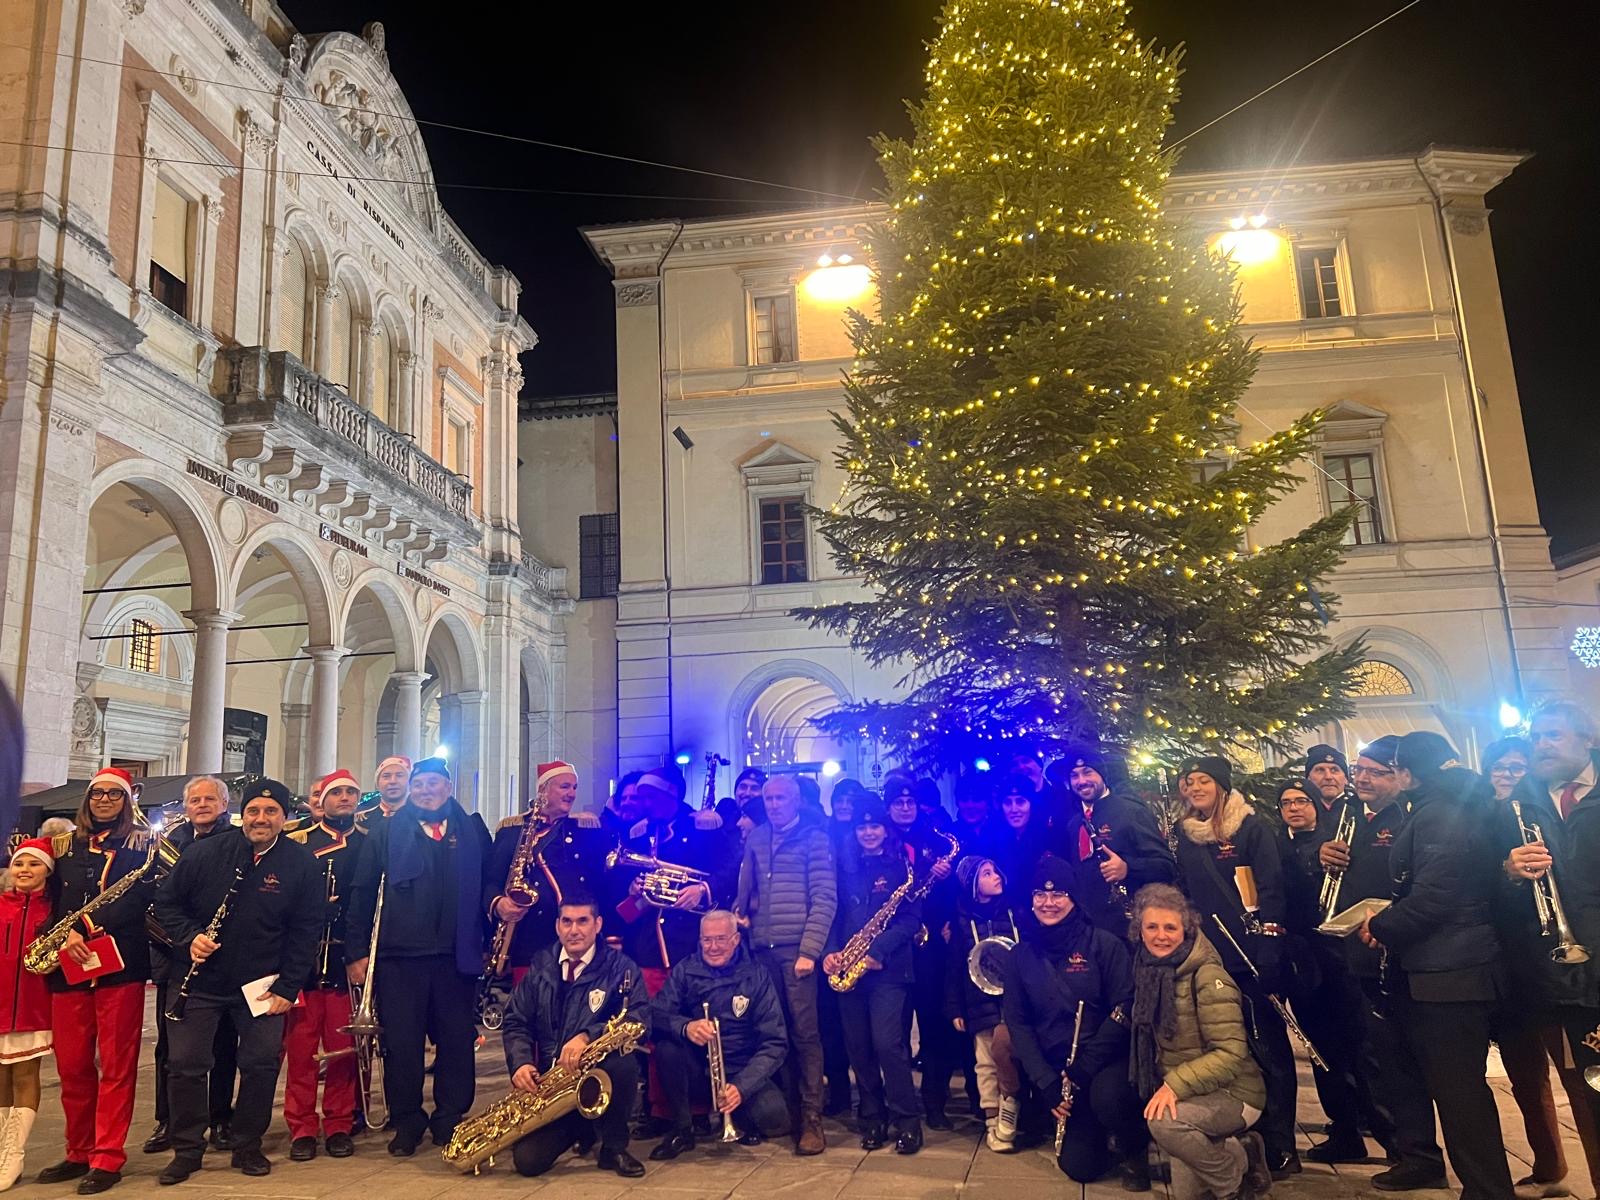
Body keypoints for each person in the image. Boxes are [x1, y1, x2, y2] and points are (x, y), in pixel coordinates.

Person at [1362, 732, 1514, 1200]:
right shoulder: (1450, 802)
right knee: (1453, 1089)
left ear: (1408, 773)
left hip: (1452, 973)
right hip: (1443, 969)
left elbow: (1434, 899)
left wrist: (1381, 925)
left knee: (1460, 1093)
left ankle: (1488, 1191)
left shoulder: (1442, 813)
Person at [151, 778, 321, 1184]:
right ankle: (188, 1148)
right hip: (199, 980)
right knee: (186, 1065)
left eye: (270, 812)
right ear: (241, 815)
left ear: (285, 817)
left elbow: (306, 931)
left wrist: (288, 987)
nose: (260, 819)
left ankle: (247, 1144)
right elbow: (165, 905)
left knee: (260, 1065)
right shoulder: (205, 852)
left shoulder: (302, 864)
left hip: (263, 985)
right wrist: (190, 937)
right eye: (253, 812)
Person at [343, 757, 493, 1157]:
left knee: (457, 1043)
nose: (428, 791)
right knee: (402, 1046)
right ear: (412, 788)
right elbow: (360, 894)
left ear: (448, 787)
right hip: (400, 958)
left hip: (455, 959)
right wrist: (356, 953)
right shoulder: (385, 831)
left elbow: (487, 889)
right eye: (421, 784)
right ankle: (407, 1121)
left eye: (435, 784)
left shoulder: (472, 830)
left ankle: (449, 1117)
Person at [1171, 756, 1299, 1178]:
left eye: (1203, 780)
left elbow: (1272, 888)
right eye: (1188, 782)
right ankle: (1245, 1132)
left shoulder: (1250, 828)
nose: (1194, 788)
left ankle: (1282, 1142)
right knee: (1227, 1048)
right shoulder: (1186, 835)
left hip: (1252, 957)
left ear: (1222, 785)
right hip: (1211, 960)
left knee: (1268, 1048)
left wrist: (1270, 950)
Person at [1315, 734, 1433, 1187]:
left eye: (1374, 772)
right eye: (1358, 769)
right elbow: (1325, 868)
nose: (1361, 778)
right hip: (1348, 951)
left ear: (1399, 776)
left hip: (1388, 951)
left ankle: (1411, 1149)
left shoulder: (1407, 818)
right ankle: (1385, 1142)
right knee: (1362, 1055)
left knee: (1391, 1061)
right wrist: (1320, 856)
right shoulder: (1348, 814)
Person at [36, 767, 155, 1195]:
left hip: (120, 967)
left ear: (127, 801)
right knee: (71, 1066)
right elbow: (51, 904)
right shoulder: (65, 847)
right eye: (97, 794)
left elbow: (140, 899)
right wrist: (54, 934)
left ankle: (107, 1156)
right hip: (70, 968)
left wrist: (85, 926)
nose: (104, 800)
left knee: (117, 1068)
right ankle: (78, 1150)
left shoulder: (142, 846)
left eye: (114, 794)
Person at [1498, 706, 1600, 1198]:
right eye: (1536, 736)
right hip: (1559, 971)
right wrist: (1510, 870)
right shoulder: (1522, 801)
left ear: (1586, 738)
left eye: (1553, 735)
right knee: (1589, 1088)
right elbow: (1487, 881)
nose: (1541, 744)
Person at [1004, 853, 1145, 1187]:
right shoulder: (1020, 955)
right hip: (1059, 1071)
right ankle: (1098, 1133)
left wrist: (1087, 1063)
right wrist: (1047, 1084)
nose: (1048, 902)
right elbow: (1019, 1026)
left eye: (1058, 894)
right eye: (1041, 894)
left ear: (1074, 898)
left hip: (1102, 1064)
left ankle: (1134, 1144)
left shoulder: (1103, 944)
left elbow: (1125, 1006)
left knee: (1108, 1098)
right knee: (1080, 1167)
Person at [608, 766, 736, 1128]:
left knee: (695, 1024)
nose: (644, 803)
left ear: (671, 797)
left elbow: (730, 870)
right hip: (648, 944)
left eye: (651, 797)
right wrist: (631, 890)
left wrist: (704, 891)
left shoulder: (702, 826)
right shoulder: (637, 833)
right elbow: (622, 884)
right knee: (652, 1027)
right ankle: (659, 1108)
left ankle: (699, 1109)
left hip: (688, 942)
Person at [1129, 883, 1270, 1200]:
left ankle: (1234, 1182)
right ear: (1139, 930)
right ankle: (1241, 1150)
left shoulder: (1206, 975)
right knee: (1187, 1195)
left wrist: (1174, 1085)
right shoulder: (1149, 970)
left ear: (1187, 929)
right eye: (1152, 927)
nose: (1160, 935)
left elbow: (1232, 1053)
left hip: (1235, 1092)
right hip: (1193, 1092)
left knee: (1163, 1124)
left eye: (1170, 927)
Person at [500, 893, 647, 1178]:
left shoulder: (622, 968)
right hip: (554, 1085)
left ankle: (613, 1148)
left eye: (582, 921)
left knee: (624, 1064)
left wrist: (587, 1036)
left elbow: (638, 1019)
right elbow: (516, 1020)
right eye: (567, 921)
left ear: (598, 924)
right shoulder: (541, 965)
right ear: (557, 926)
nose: (574, 930)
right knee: (528, 1162)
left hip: (602, 1075)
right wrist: (519, 1063)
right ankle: (584, 1126)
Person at [733, 773, 836, 1155]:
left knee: (805, 1035)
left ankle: (812, 1118)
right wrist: (741, 916)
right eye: (769, 798)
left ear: (796, 801)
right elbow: (748, 890)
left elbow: (825, 897)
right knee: (772, 1034)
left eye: (780, 798)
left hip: (797, 952)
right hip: (762, 950)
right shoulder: (757, 838)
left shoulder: (814, 838)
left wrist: (810, 950)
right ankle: (784, 1112)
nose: (774, 804)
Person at [144, 777, 237, 1158]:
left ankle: (220, 1118)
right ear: (185, 807)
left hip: (225, 959)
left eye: (209, 799)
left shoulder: (238, 842)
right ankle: (169, 1119)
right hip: (176, 958)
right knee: (170, 1048)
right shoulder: (170, 844)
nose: (201, 805)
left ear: (225, 803)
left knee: (224, 1046)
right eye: (194, 800)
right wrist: (181, 940)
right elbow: (154, 902)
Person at [825, 795, 923, 1154]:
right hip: (850, 968)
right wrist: (831, 952)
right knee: (859, 1049)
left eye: (875, 825)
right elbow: (833, 914)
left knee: (887, 1045)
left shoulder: (901, 868)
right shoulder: (843, 866)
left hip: (889, 971)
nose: (868, 832)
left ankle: (907, 1121)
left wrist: (877, 953)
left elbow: (911, 921)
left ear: (886, 829)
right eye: (862, 826)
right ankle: (873, 1118)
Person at [648, 909, 789, 1158]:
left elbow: (775, 1043)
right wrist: (686, 1026)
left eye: (721, 939)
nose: (713, 947)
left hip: (740, 1069)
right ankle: (682, 1129)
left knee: (774, 1119)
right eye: (707, 940)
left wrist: (742, 1087)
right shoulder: (686, 970)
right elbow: (656, 1013)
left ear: (735, 940)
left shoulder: (756, 975)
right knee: (667, 1050)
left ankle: (739, 1114)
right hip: (699, 1069)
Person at [281, 770, 366, 1162]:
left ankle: (338, 1124)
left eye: (351, 792)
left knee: (342, 1052)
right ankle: (300, 1127)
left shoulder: (369, 844)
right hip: (304, 964)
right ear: (323, 801)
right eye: (337, 793)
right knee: (300, 1052)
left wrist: (360, 956)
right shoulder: (297, 843)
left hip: (346, 963)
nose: (345, 798)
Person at [485, 760, 607, 985]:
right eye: (564, 786)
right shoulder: (512, 830)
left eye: (574, 787)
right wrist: (499, 903)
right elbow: (491, 881)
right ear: (543, 789)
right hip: (530, 937)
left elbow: (600, 886)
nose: (571, 793)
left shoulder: (583, 830)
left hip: (576, 936)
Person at [883, 774, 960, 1129]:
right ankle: (898, 1102)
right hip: (892, 945)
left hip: (929, 946)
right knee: (893, 1031)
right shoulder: (878, 840)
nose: (904, 807)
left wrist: (947, 876)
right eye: (898, 803)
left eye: (909, 802)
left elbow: (949, 894)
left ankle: (934, 1102)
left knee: (933, 1027)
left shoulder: (934, 839)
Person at [946, 855, 1022, 1151]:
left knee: (1013, 1055)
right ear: (973, 885)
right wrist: (954, 1008)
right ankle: (992, 1116)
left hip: (1015, 999)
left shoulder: (1015, 913)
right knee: (986, 1060)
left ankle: (1013, 1110)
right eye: (987, 874)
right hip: (979, 1001)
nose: (996, 877)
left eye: (996, 871)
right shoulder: (963, 923)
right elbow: (953, 968)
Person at [1060, 746, 1175, 937]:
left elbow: (1167, 867)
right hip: (1090, 931)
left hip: (1131, 928)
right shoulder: (1073, 822)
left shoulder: (1130, 811)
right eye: (1074, 775)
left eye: (1088, 772)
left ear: (1102, 775)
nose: (1081, 781)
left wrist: (1128, 868)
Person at [0, 838, 58, 1191]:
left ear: (47, 872)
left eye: (34, 864)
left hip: (34, 1007)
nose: (25, 870)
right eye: (20, 863)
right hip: (0, 1004)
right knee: (0, 1079)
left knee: (24, 1075)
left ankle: (15, 1153)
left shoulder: (53, 910)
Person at [980, 774, 1058, 907]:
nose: (1014, 809)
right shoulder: (991, 837)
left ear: (1031, 804)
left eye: (1020, 802)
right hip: (1003, 912)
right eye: (1008, 803)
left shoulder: (1049, 836)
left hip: (1043, 908)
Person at [1304, 744, 1355, 841]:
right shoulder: (1298, 813)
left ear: (1346, 779)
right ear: (1308, 778)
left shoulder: (1360, 810)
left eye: (1334, 770)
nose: (1328, 777)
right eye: (1320, 770)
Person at [599, 772, 644, 842]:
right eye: (623, 799)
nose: (627, 802)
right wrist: (609, 813)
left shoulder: (651, 831)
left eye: (633, 798)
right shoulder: (614, 830)